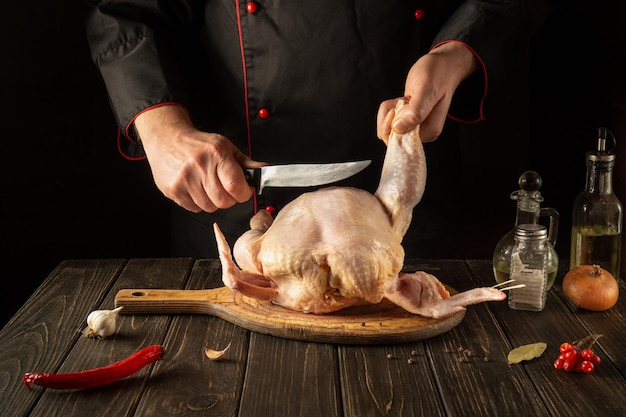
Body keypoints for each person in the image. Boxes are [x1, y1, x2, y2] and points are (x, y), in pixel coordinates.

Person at [85, 0, 528, 259]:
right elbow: (124, 10)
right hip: (238, 204)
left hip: (407, 210)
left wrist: (453, 57)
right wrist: (163, 131)